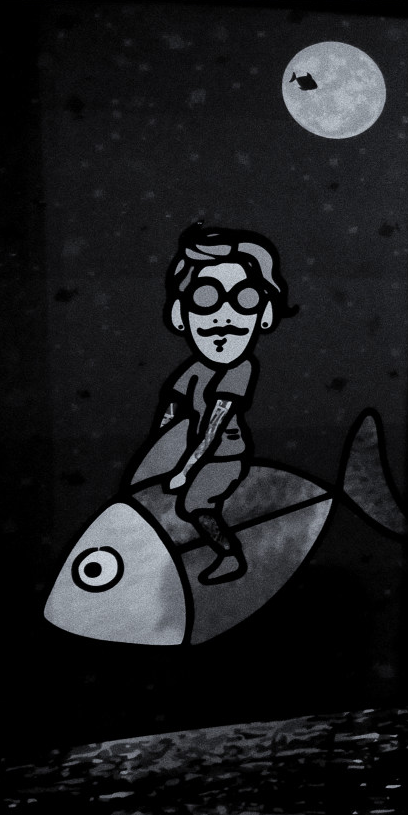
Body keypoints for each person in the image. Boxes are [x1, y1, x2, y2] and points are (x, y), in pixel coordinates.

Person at [152, 223, 291, 584]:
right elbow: (172, 407)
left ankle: (229, 555)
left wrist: (184, 469)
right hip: (191, 453)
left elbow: (214, 428)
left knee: (193, 505)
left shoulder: (238, 368)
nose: (225, 315)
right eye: (206, 297)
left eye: (245, 298)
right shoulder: (195, 369)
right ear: (180, 315)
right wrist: (161, 449)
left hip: (224, 454)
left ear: (265, 315)